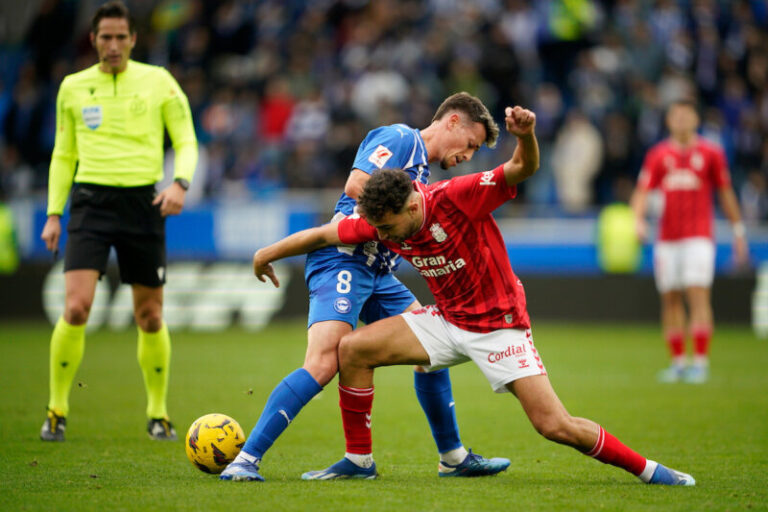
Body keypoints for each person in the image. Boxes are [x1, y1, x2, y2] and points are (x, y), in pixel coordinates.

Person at [249, 106, 695, 486]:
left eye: (387, 230)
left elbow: (522, 169)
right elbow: (325, 233)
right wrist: (266, 253)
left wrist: (528, 136)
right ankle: (363, 462)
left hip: (499, 328)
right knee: (352, 349)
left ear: (410, 207)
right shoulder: (384, 215)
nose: (382, 237)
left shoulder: (460, 195)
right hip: (446, 322)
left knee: (555, 426)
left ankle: (653, 472)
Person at [221, 92, 510, 481]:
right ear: (452, 122)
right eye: (471, 144)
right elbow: (357, 184)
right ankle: (245, 460)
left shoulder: (422, 170)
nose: (468, 156)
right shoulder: (401, 139)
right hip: (344, 259)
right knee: (324, 362)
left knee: (431, 352)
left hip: (376, 272)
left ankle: (451, 457)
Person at [39, 0, 198, 441]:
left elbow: (185, 139)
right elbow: (63, 153)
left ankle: (158, 413)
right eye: (104, 37)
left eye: (120, 37)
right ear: (93, 40)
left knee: (149, 315)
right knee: (76, 306)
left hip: (142, 204)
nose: (112, 45)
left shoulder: (158, 82)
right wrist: (55, 213)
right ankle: (56, 409)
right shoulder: (72, 87)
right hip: (90, 203)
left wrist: (180, 183)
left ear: (132, 39)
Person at [630, 99, 748, 384]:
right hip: (667, 238)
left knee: (697, 295)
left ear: (696, 119)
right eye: (676, 115)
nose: (681, 120)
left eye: (686, 114)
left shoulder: (711, 153)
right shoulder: (658, 155)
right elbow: (643, 191)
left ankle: (701, 362)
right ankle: (679, 362)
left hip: (698, 237)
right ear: (669, 120)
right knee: (670, 298)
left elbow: (725, 192)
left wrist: (739, 231)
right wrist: (638, 219)